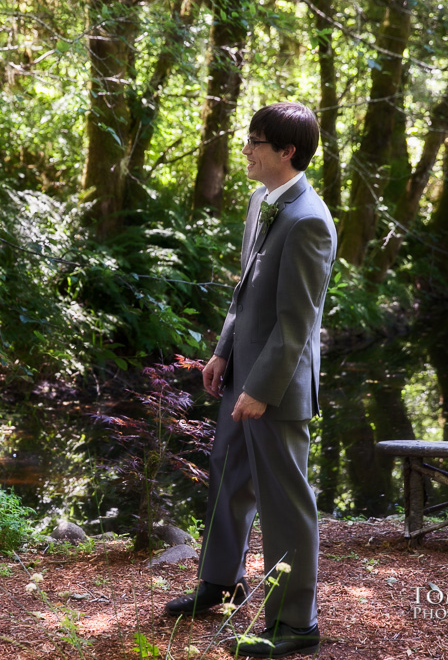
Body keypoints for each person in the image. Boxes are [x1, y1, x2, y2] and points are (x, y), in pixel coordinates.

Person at [163, 103, 336, 658]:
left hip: (276, 387)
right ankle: (220, 581)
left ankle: (295, 625)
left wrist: (261, 389)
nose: (246, 150)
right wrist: (222, 352)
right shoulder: (261, 201)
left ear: (287, 151)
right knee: (227, 476)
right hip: (240, 371)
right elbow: (246, 290)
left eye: (256, 142)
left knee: (287, 503)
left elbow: (298, 321)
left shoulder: (309, 218)